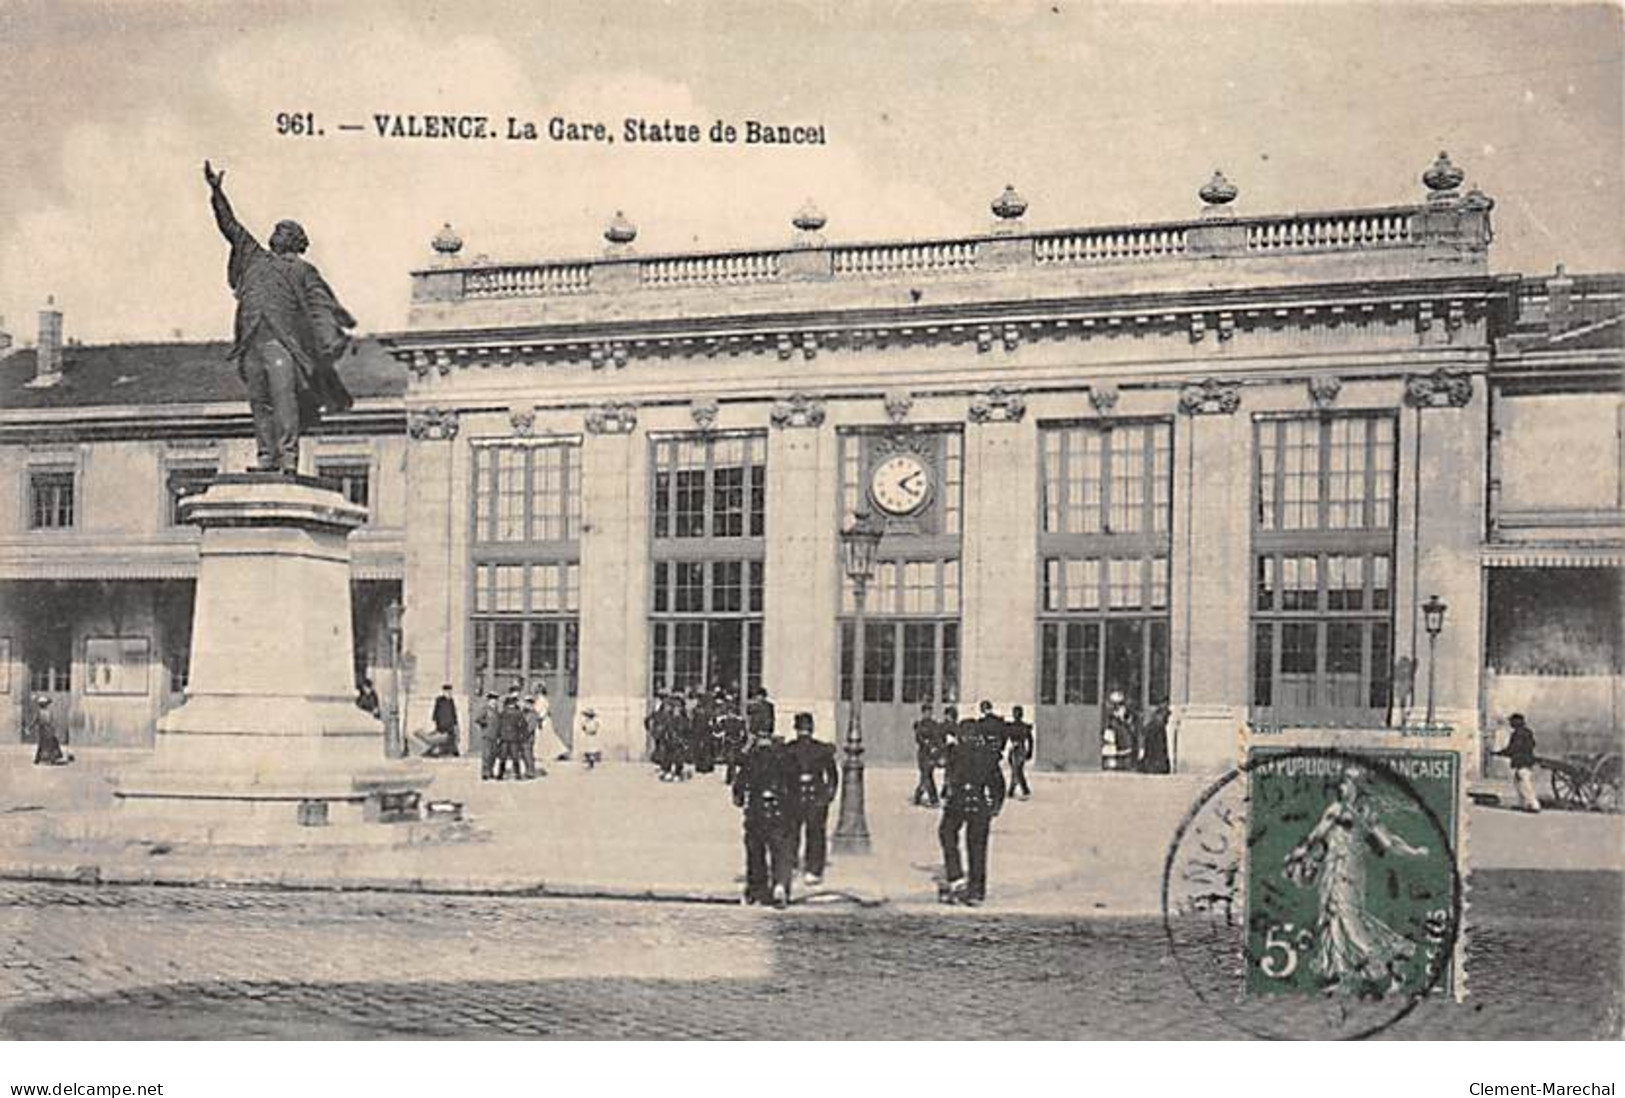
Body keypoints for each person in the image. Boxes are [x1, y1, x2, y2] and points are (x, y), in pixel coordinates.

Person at [202, 160, 356, 474]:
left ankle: (288, 459)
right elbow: (230, 226)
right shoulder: (254, 257)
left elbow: (319, 306)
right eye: (276, 230)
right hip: (252, 342)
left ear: (296, 242)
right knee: (260, 402)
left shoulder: (302, 270)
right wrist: (217, 191)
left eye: (285, 231)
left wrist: (329, 340)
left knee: (284, 401)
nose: (277, 234)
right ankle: (266, 458)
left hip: (282, 345)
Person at [1283, 768, 1431, 994]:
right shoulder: (1335, 810)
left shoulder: (1366, 812)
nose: (1343, 788)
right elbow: (1315, 836)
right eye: (1343, 783)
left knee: (1352, 922)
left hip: (1351, 872)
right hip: (1332, 870)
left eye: (1348, 783)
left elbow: (1389, 841)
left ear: (1357, 787)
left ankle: (1394, 964)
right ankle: (1346, 976)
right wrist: (1297, 856)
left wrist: (1413, 851)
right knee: (1334, 922)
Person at [938, 715, 1006, 906]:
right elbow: (998, 784)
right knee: (977, 846)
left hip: (957, 803)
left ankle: (956, 877)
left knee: (947, 833)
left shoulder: (955, 752)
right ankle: (976, 890)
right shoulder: (987, 754)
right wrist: (995, 806)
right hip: (979, 803)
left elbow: (945, 769)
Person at [732, 724, 796, 908]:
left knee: (755, 852)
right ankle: (780, 885)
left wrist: (740, 799)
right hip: (779, 809)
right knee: (780, 850)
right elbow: (793, 783)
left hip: (756, 810)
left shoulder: (752, 759)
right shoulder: (784, 758)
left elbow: (739, 785)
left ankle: (757, 890)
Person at [785, 712, 839, 886]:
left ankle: (796, 866)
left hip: (802, 795)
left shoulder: (790, 749)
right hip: (809, 795)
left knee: (795, 833)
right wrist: (828, 794)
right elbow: (832, 776)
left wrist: (827, 795)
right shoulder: (820, 749)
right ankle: (812, 869)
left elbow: (832, 776)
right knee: (813, 834)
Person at [1494, 713, 1541, 813]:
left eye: (1512, 721)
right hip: (1524, 760)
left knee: (1525, 782)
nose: (1510, 723)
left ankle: (1533, 804)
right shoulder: (1527, 732)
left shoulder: (1518, 733)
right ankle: (1523, 804)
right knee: (1518, 782)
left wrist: (1501, 752)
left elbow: (1514, 747)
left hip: (1522, 761)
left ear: (1518, 722)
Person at [410, 683, 460, 757]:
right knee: (435, 738)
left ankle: (448, 750)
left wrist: (455, 724)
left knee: (443, 739)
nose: (449, 693)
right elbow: (436, 712)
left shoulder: (451, 701)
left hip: (448, 728)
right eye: (448, 692)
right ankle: (433, 751)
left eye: (450, 692)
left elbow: (453, 714)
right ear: (444, 692)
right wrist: (436, 721)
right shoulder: (439, 700)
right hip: (442, 727)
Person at [912, 703, 943, 807]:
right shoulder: (920, 725)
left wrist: (937, 749)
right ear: (923, 713)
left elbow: (938, 738)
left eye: (929, 712)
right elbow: (919, 739)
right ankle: (933, 799)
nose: (928, 714)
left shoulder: (934, 725)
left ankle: (919, 795)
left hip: (932, 754)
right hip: (923, 754)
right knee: (927, 775)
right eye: (926, 712)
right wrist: (929, 745)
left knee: (927, 776)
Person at [495, 694, 529, 780]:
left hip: (504, 738)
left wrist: (499, 735)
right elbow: (523, 725)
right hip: (514, 737)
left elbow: (499, 725)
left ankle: (500, 774)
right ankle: (517, 775)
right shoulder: (518, 713)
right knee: (515, 757)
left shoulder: (503, 713)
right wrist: (522, 735)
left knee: (503, 757)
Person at [1102, 690, 1137, 772]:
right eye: (1115, 705)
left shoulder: (1128, 718)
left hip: (1126, 748)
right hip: (1114, 748)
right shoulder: (1110, 720)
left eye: (1120, 704)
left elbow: (1131, 729)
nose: (1118, 707)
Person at [30, 697, 71, 767]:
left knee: (42, 744)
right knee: (49, 744)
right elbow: (51, 721)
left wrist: (30, 727)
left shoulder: (39, 712)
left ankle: (39, 759)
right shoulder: (49, 712)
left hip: (43, 729)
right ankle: (48, 758)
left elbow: (34, 721)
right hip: (49, 729)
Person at [1006, 705, 1034, 799]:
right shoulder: (1013, 726)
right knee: (1016, 770)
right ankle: (1015, 789)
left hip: (1020, 749)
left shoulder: (1023, 726)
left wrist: (1030, 751)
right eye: (1015, 713)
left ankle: (1020, 790)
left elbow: (1030, 740)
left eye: (1018, 713)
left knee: (1017, 770)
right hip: (1015, 749)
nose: (1016, 715)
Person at [1139, 701, 1171, 774]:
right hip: (1155, 765)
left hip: (1155, 764)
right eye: (1166, 715)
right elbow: (1157, 748)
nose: (1167, 719)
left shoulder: (1157, 727)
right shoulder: (1156, 727)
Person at [475, 692, 501, 780]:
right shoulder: (485, 709)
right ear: (489, 701)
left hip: (495, 736)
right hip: (487, 735)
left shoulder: (496, 711)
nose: (494, 702)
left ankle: (490, 771)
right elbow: (477, 719)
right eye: (492, 700)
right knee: (486, 755)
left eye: (495, 700)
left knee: (493, 755)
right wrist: (485, 724)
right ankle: (485, 773)